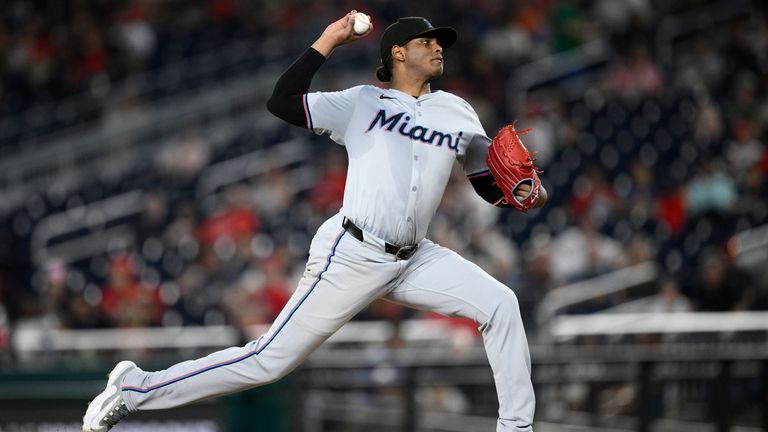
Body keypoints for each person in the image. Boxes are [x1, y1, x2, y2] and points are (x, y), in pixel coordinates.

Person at [82, 11, 547, 432]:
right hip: (354, 251)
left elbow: (489, 182)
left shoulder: (458, 111)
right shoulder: (362, 102)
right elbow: (281, 101)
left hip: (416, 257)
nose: (438, 47)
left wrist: (525, 192)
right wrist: (328, 40)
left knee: (501, 304)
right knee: (267, 361)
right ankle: (134, 387)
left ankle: (516, 429)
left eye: (440, 42)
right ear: (398, 53)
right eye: (427, 41)